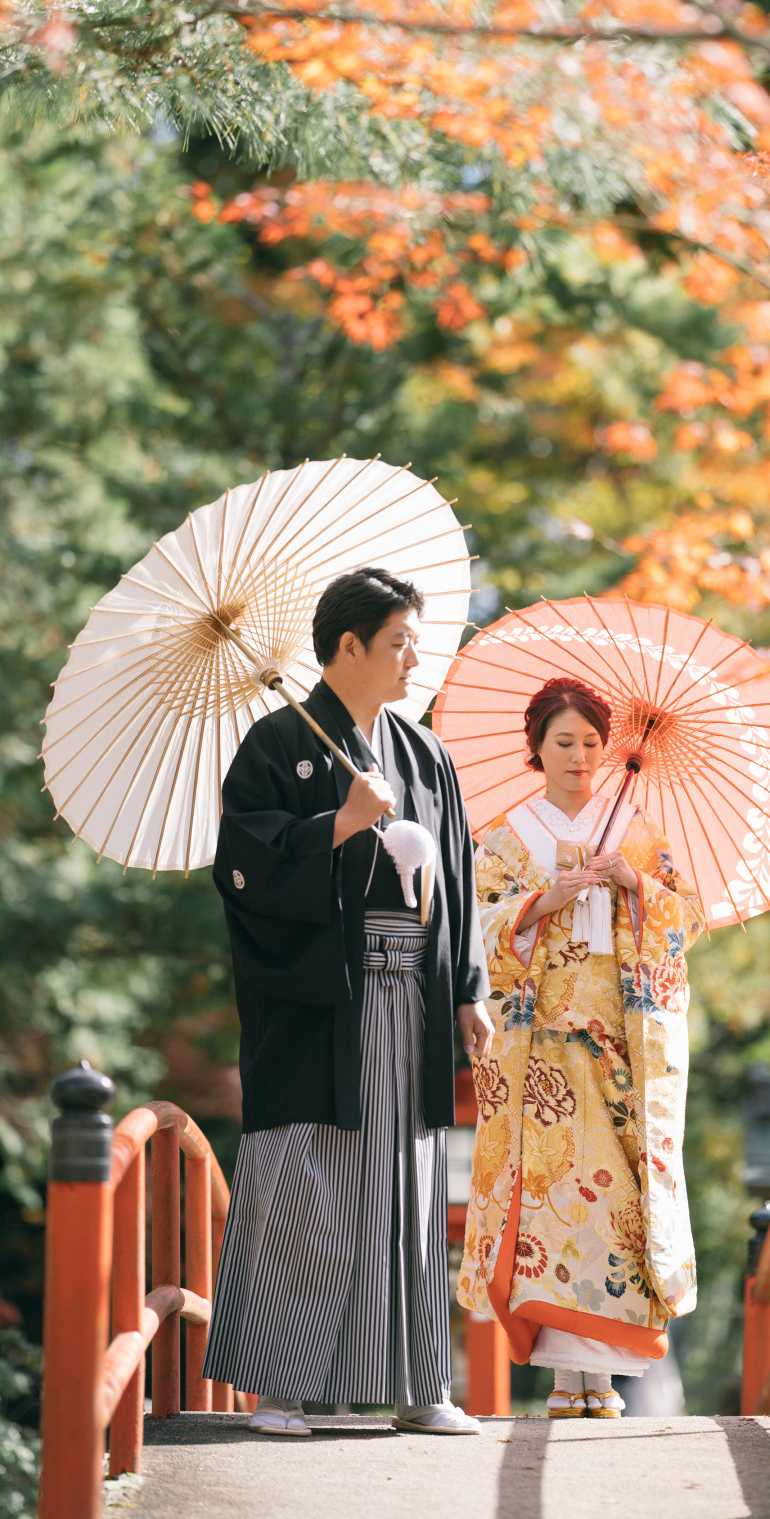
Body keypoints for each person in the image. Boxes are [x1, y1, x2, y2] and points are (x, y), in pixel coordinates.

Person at [202, 567, 493, 1436]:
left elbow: (464, 883)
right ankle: (282, 1389)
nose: (414, 657)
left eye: (416, 640)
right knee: (308, 1174)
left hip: (413, 990)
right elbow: (243, 867)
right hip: (320, 998)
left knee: (403, 1186)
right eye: (399, 640)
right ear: (350, 646)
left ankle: (416, 1385)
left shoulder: (424, 752)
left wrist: (470, 990)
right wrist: (336, 823)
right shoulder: (274, 746)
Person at [457, 676, 704, 1420]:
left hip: (619, 1048)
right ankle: (569, 1382)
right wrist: (543, 902)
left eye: (592, 743)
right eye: (564, 741)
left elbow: (684, 918)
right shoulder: (503, 837)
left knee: (616, 1208)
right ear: (535, 745)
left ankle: (603, 1377)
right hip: (539, 1053)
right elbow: (472, 928)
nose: (579, 755)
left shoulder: (635, 829)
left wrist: (635, 886)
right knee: (550, 1208)